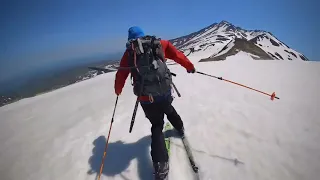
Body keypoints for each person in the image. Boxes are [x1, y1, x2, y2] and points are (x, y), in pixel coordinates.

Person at [114, 26, 196, 179]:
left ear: (130, 39)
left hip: (146, 98)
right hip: (164, 92)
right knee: (168, 108)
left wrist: (118, 90)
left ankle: (161, 166)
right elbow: (177, 55)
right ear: (143, 35)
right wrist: (189, 67)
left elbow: (121, 74)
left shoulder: (130, 53)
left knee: (157, 125)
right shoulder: (159, 44)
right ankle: (180, 127)